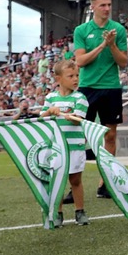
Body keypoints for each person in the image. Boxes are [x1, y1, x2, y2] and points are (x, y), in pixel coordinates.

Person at [73, 0, 128, 200]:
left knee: (110, 135)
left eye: (109, 4)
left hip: (111, 87)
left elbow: (123, 62)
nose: (107, 8)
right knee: (80, 137)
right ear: (93, 8)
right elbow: (80, 61)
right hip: (87, 88)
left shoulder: (119, 30)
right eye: (102, 5)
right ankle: (74, 184)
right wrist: (102, 45)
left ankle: (105, 182)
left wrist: (112, 44)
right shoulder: (82, 30)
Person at [41, 59, 91, 227]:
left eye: (77, 75)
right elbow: (42, 119)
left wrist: (62, 113)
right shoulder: (50, 98)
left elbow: (79, 120)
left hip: (75, 147)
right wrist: (49, 111)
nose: (75, 79)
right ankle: (57, 213)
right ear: (58, 79)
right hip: (56, 148)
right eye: (70, 76)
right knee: (58, 181)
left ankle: (80, 211)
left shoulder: (80, 97)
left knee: (75, 180)